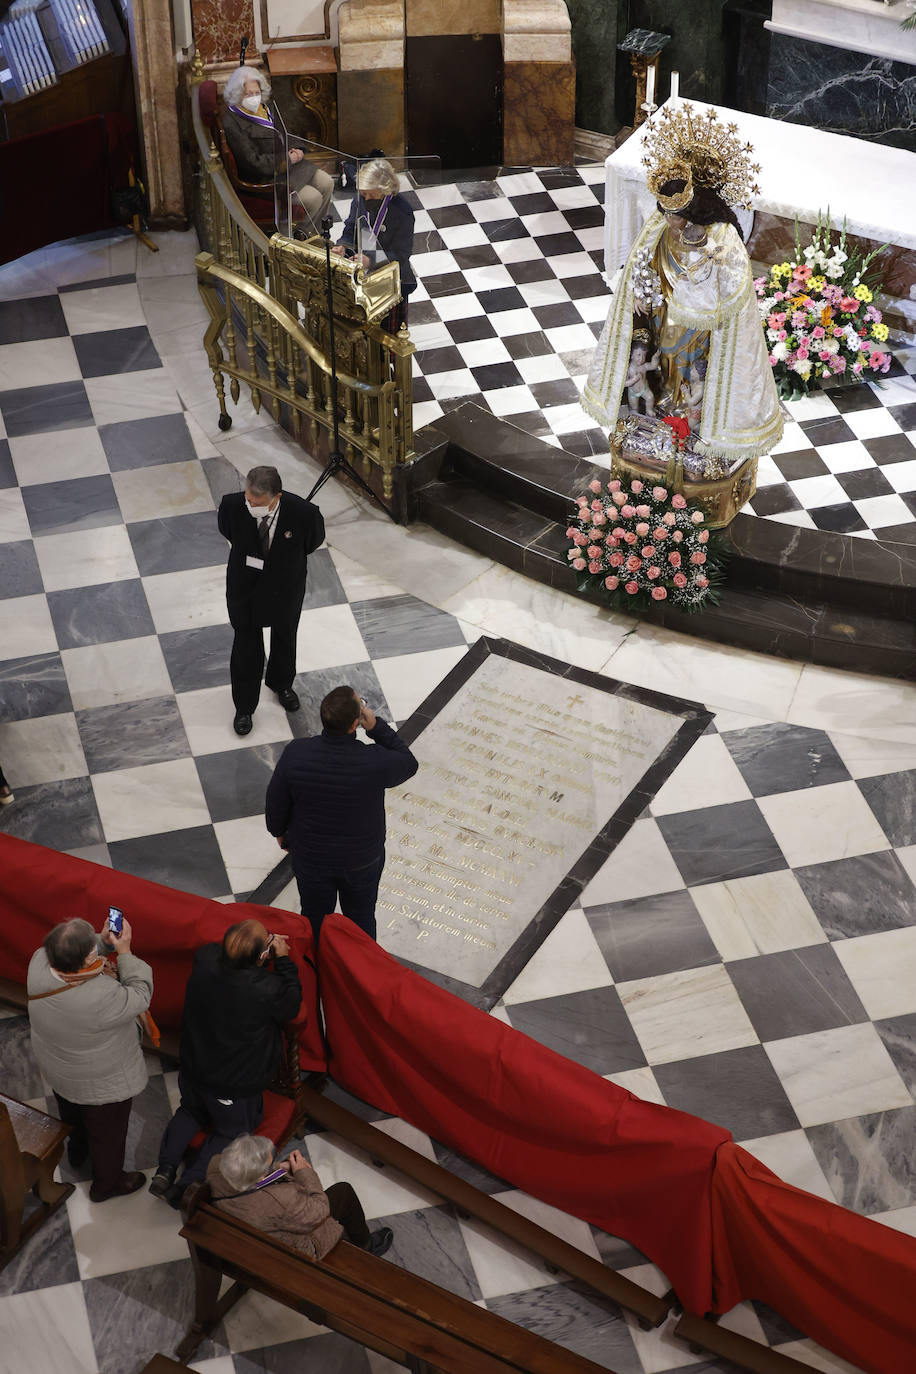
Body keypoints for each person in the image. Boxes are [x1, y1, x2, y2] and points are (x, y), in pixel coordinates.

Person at [583, 104, 783, 475]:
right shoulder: (660, 227)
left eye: (676, 216)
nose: (670, 222)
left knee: (692, 373)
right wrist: (642, 294)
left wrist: (697, 288)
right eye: (666, 214)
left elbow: (734, 285)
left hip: (702, 328)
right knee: (664, 368)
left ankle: (694, 418)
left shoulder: (721, 236)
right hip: (664, 318)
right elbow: (642, 265)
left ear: (693, 209)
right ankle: (664, 409)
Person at [150, 919, 302, 1204]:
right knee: (231, 1132)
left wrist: (260, 952)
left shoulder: (206, 958)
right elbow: (291, 1003)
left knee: (190, 1112)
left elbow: (227, 959)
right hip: (230, 1083)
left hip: (194, 1066)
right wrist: (282, 959)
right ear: (260, 956)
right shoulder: (266, 989)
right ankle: (185, 1186)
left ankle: (165, 1168)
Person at [265, 685, 418, 942]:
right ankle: (360, 972)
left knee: (313, 918)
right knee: (360, 920)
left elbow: (276, 802)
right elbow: (408, 762)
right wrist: (376, 727)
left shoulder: (297, 753)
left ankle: (314, 967)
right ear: (355, 723)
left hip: (311, 858)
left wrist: (279, 832)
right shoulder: (374, 761)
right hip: (361, 860)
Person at [27, 916, 153, 1203]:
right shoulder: (102, 995)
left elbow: (65, 953)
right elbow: (140, 994)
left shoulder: (38, 962)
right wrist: (124, 952)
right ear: (87, 959)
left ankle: (78, 1149)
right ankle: (107, 1185)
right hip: (101, 1084)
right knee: (107, 1135)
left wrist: (102, 942)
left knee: (71, 1113)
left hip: (59, 1068)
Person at [217, 465, 325, 736]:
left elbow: (312, 543)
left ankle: (281, 683)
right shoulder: (232, 506)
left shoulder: (304, 514)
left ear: (276, 497)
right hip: (245, 590)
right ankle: (244, 707)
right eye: (248, 499)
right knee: (245, 647)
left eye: (257, 502)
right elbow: (228, 531)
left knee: (285, 637)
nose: (250, 505)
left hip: (285, 590)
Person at [207, 1134, 393, 1257]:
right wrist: (304, 1173)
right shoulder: (282, 1201)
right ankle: (366, 1245)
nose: (273, 1159)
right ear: (260, 1175)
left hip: (250, 1223)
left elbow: (255, 1184)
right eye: (269, 1163)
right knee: (344, 1192)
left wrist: (279, 1170)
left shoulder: (217, 1164)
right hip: (300, 1246)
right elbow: (319, 1209)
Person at [221, 65, 334, 235]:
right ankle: (301, 240)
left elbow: (285, 132)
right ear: (237, 95)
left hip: (288, 166)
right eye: (248, 94)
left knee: (328, 182)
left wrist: (300, 149)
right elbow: (253, 162)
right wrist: (288, 159)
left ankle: (313, 235)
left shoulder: (265, 108)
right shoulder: (232, 122)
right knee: (314, 198)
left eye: (256, 92)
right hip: (268, 176)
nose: (254, 98)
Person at [332, 158, 416, 332]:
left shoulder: (403, 212)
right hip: (361, 272)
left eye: (372, 195)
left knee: (385, 334)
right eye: (364, 194)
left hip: (392, 278)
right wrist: (343, 246)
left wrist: (371, 261)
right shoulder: (360, 199)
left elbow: (401, 255)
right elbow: (350, 228)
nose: (366, 198)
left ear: (386, 190)